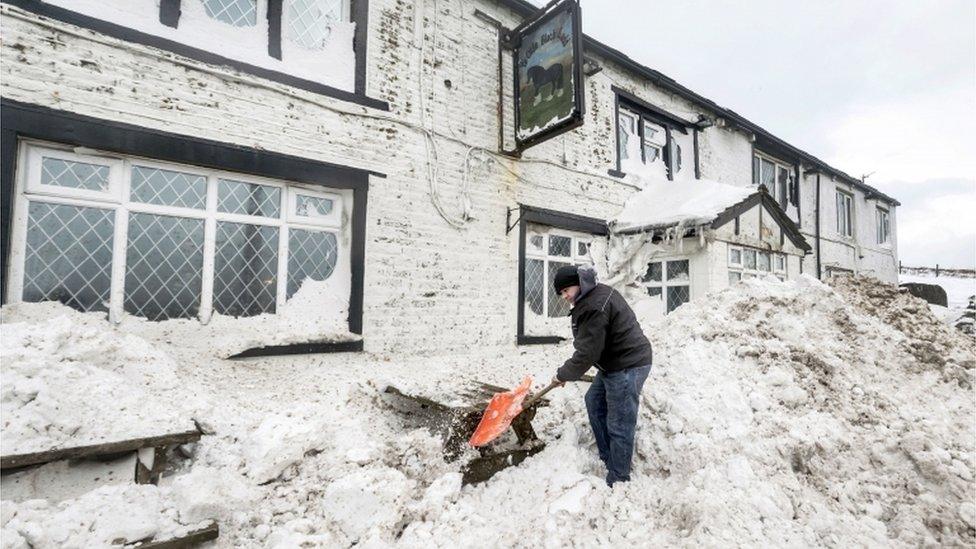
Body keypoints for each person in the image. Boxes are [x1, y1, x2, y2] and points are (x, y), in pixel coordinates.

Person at [551, 264, 653, 486]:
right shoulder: (592, 296)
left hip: (628, 364)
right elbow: (591, 345)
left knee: (620, 422)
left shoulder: (594, 305)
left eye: (566, 290)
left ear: (578, 284)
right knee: (594, 401)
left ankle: (618, 477)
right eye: (561, 293)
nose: (564, 296)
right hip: (613, 363)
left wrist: (563, 375)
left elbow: (587, 353)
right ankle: (608, 456)